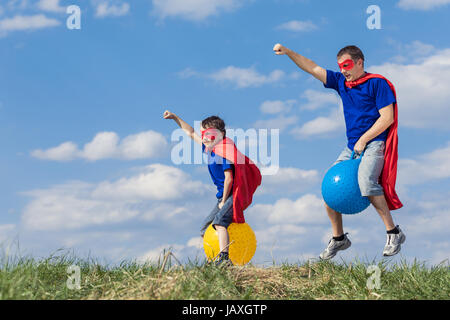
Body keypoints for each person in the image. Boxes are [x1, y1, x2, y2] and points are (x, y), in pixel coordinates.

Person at [273, 44, 405, 259]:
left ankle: (394, 232)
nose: (343, 70)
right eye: (340, 66)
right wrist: (288, 52)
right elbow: (312, 68)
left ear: (360, 62)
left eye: (347, 65)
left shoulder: (377, 84)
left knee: (366, 182)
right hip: (352, 147)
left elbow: (387, 118)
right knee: (329, 189)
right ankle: (339, 238)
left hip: (374, 144)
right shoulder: (342, 83)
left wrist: (364, 139)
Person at [163, 110, 261, 266]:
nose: (204, 137)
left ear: (220, 134)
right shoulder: (210, 149)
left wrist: (223, 201)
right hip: (222, 196)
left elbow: (229, 178)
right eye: (203, 134)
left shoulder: (225, 152)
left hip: (231, 196)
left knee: (220, 222)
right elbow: (190, 132)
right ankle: (212, 258)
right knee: (204, 228)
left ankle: (224, 259)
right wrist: (175, 117)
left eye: (208, 133)